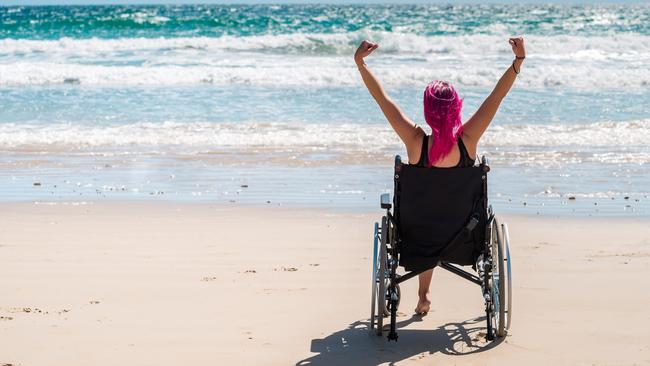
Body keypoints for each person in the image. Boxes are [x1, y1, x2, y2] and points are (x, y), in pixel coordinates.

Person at [355, 37, 526, 315]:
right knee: (441, 216)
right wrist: (518, 62)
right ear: (457, 107)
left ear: (428, 111)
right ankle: (425, 293)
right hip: (465, 239)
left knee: (427, 217)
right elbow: (497, 96)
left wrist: (360, 64)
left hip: (417, 238)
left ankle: (423, 295)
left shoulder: (415, 142)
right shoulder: (468, 140)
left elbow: (381, 98)